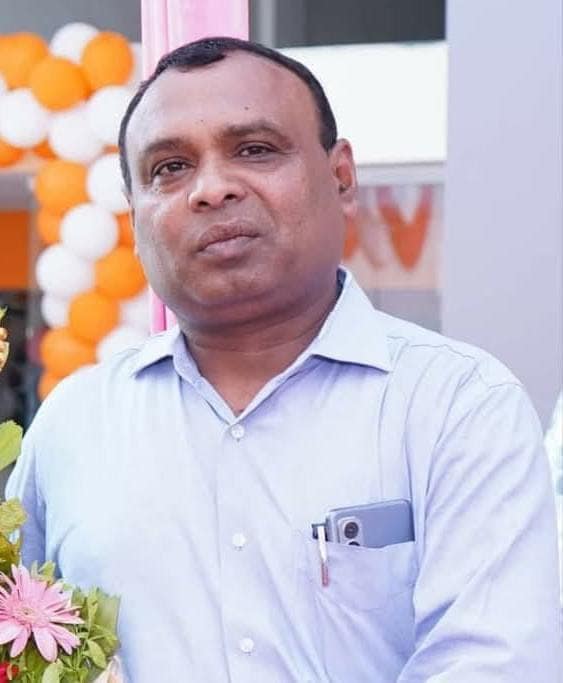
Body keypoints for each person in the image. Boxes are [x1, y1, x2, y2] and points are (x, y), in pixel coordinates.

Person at [7, 37, 561, 682]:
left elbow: (494, 665)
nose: (212, 189)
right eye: (170, 167)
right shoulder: (75, 424)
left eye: (255, 149)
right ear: (134, 218)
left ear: (341, 176)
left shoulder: (458, 405)